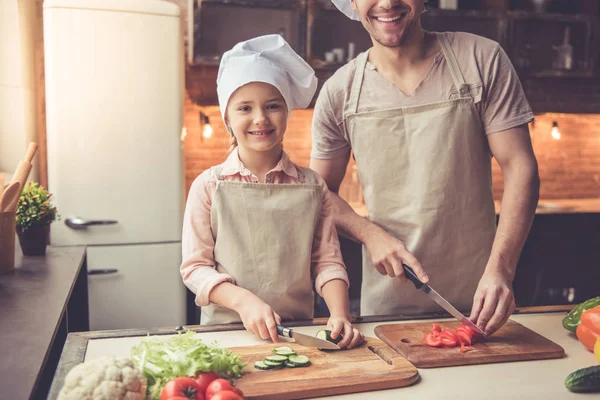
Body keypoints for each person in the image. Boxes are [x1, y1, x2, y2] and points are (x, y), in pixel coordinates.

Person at [310, 0, 540, 336]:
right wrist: (370, 234)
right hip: (387, 310)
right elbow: (320, 194)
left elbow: (520, 166)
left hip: (481, 301)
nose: (387, 3)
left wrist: (501, 271)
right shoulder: (339, 93)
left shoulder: (480, 59)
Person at [180, 34, 364, 349]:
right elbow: (195, 268)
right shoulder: (208, 186)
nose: (260, 118)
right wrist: (242, 301)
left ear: (287, 112)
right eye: (245, 108)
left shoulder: (312, 185)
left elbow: (327, 261)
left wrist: (340, 314)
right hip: (226, 335)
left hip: (298, 332)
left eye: (272, 105)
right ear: (227, 119)